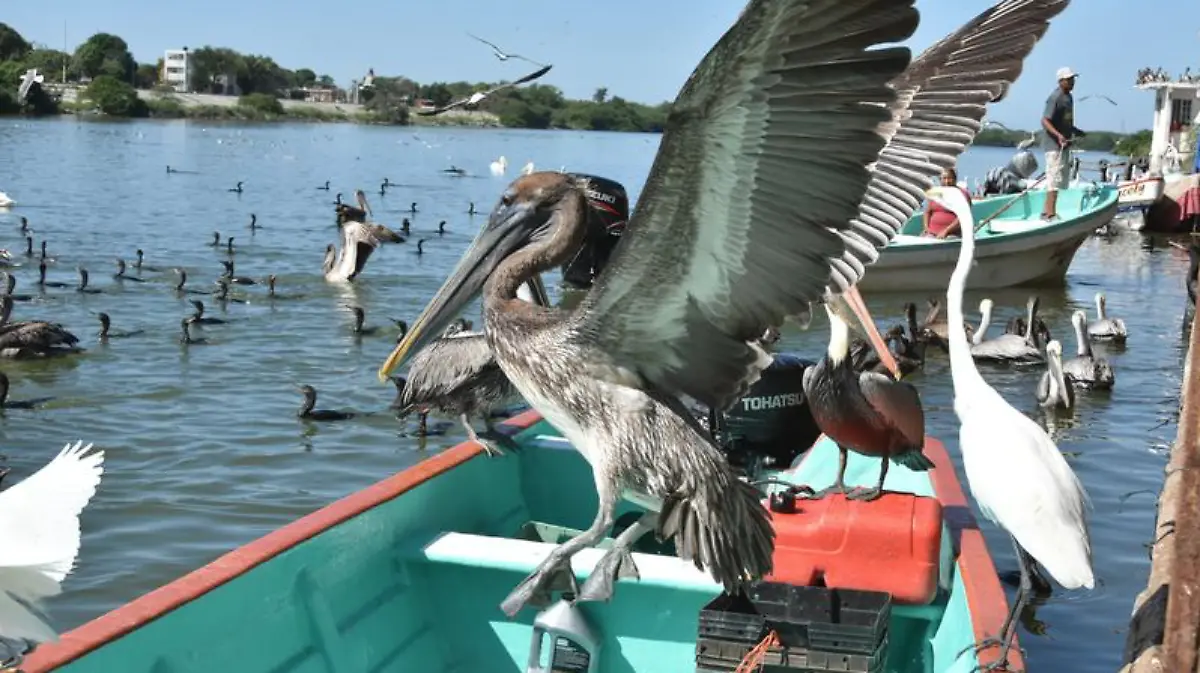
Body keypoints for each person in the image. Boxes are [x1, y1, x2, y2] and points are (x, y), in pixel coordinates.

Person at [1040, 67, 1087, 221]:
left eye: (1073, 79)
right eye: (1069, 79)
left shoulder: (1069, 98)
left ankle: (1046, 211)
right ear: (1061, 81)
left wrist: (1075, 131)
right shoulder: (1055, 97)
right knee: (1053, 179)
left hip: (1064, 145)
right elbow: (1045, 120)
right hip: (1054, 146)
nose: (1072, 82)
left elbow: (1065, 121)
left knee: (1060, 180)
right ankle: (1050, 214)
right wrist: (1059, 136)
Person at [923, 168, 972, 239]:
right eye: (944, 178)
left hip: (952, 234)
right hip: (932, 233)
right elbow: (927, 212)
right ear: (940, 180)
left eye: (949, 178)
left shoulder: (962, 194)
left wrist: (946, 231)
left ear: (955, 179)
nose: (947, 181)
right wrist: (926, 228)